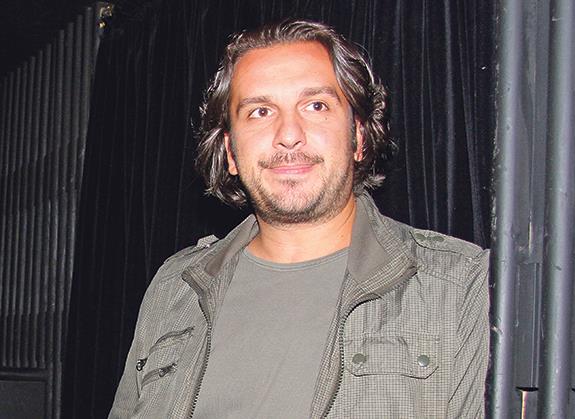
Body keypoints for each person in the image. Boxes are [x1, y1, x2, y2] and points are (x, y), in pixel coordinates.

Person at [109, 19, 489, 419]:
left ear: (359, 137)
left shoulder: (459, 286)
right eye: (260, 111)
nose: (289, 134)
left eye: (316, 106)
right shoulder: (175, 286)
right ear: (231, 152)